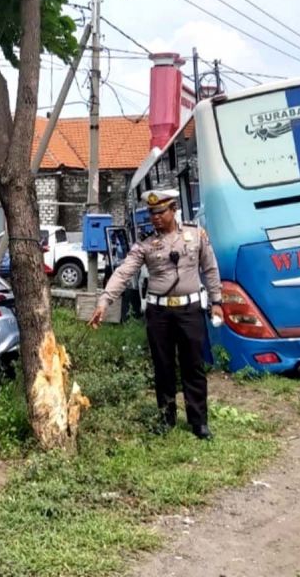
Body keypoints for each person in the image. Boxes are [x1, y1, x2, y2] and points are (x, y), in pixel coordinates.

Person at [89, 189, 223, 440]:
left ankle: (199, 422)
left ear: (173, 210)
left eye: (160, 212)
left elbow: (210, 268)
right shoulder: (145, 244)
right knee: (163, 367)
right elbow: (123, 272)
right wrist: (105, 300)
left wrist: (217, 301)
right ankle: (166, 417)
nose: (155, 218)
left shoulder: (195, 235)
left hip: (190, 310)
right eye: (152, 213)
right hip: (159, 313)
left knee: (193, 366)